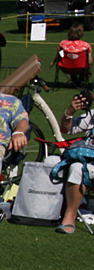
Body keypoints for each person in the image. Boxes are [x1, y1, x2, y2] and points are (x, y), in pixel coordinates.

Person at [55, 92, 94, 233]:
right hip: (89, 160)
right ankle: (45, 210)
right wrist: (70, 112)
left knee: (78, 168)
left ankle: (69, 215)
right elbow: (66, 129)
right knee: (50, 161)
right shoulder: (92, 115)